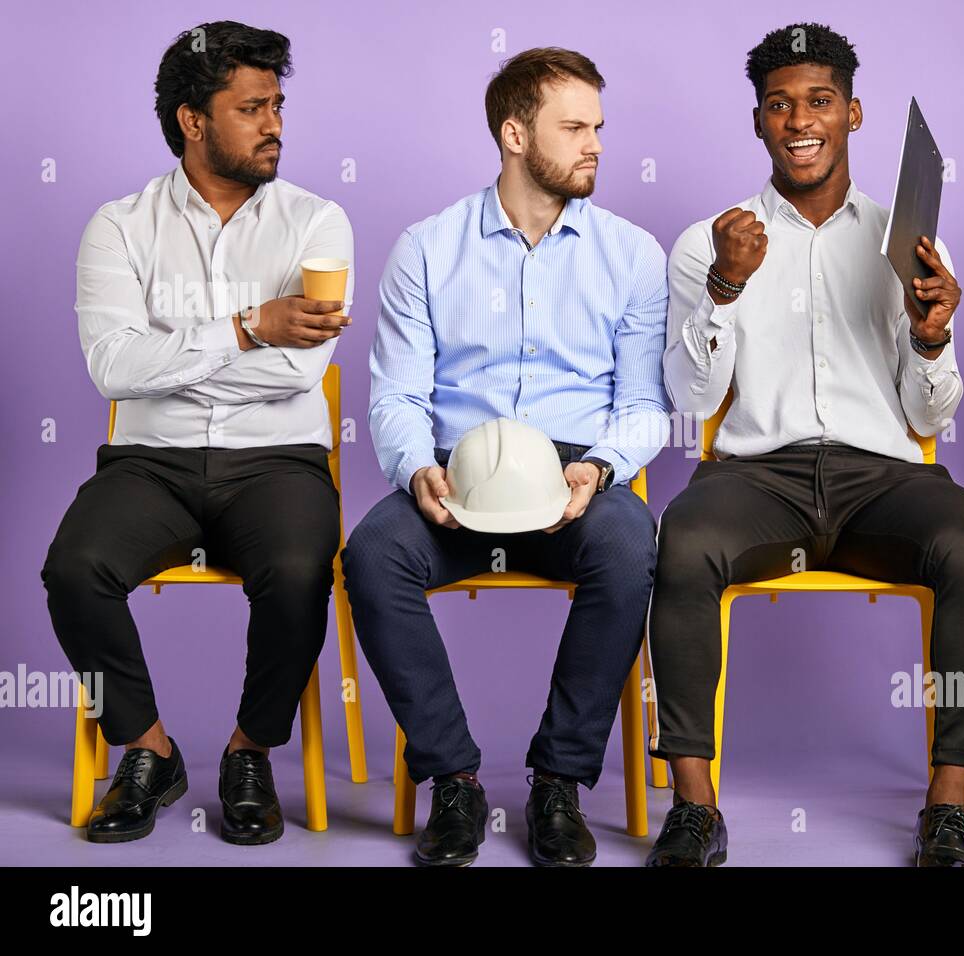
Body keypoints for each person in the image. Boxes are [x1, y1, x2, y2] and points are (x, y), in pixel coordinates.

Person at [644, 22, 964, 868]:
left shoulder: (907, 241)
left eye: (819, 101)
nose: (799, 119)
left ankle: (948, 804)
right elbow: (688, 398)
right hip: (756, 478)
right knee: (684, 539)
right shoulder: (708, 242)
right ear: (758, 122)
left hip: (881, 476)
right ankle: (695, 809)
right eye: (780, 104)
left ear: (853, 113)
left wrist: (930, 338)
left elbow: (931, 413)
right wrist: (725, 288)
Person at [341, 47, 670, 867]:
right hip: (459, 470)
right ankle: (452, 777)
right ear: (515, 133)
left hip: (573, 470)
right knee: (373, 554)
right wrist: (418, 468)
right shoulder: (427, 247)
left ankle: (559, 782)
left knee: (631, 549)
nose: (595, 143)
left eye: (599, 126)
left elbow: (642, 406)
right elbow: (396, 395)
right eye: (574, 127)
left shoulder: (632, 254)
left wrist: (600, 467)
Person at [41, 21, 354, 845]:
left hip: (279, 459)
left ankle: (251, 750)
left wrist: (173, 353)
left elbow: (298, 374)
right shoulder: (118, 226)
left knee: (297, 569)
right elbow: (113, 369)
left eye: (278, 104)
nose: (275, 123)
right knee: (73, 569)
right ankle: (146, 750)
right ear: (192, 120)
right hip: (151, 462)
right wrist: (251, 325)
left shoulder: (319, 222)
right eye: (252, 108)